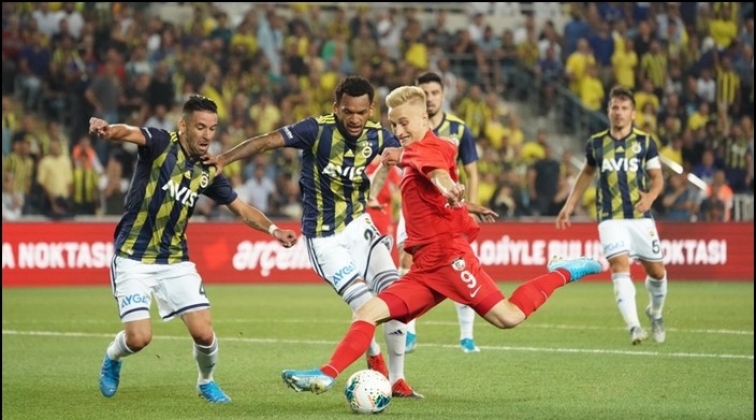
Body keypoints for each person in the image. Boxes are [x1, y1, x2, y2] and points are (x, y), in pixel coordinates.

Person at [279, 85, 602, 397]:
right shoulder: (425, 148)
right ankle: (326, 375)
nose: (398, 130)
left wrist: (449, 187)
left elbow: (436, 173)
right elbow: (435, 170)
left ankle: (564, 271)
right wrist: (458, 198)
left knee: (509, 317)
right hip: (425, 268)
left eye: (404, 122)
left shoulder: (425, 150)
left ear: (424, 118)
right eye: (394, 124)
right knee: (367, 312)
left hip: (450, 259)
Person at [204, 75, 421, 397]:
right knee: (368, 305)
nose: (354, 119)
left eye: (361, 112)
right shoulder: (316, 130)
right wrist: (223, 158)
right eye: (348, 111)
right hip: (324, 238)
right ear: (336, 107)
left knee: (395, 298)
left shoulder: (379, 135)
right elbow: (267, 140)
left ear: (371, 110)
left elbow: (413, 157)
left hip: (358, 226)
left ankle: (397, 380)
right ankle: (374, 353)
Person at [91, 95, 298, 403]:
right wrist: (109, 130)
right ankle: (113, 357)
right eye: (200, 127)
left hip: (175, 260)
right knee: (139, 338)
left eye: (212, 128)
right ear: (183, 126)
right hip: (133, 256)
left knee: (204, 333)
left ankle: (206, 382)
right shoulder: (161, 143)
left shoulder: (208, 169)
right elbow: (130, 132)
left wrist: (274, 229)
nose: (207, 135)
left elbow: (242, 210)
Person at [376, 71, 482, 354]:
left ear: (443, 95)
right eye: (426, 93)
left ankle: (467, 336)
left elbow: (471, 172)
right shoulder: (402, 125)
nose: (431, 98)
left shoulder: (458, 129)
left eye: (435, 93)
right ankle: (409, 332)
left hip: (448, 207)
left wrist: (468, 205)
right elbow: (390, 162)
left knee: (459, 264)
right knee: (406, 260)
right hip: (414, 207)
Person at [555, 85, 668, 345]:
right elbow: (586, 173)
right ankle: (634, 327)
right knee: (619, 266)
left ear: (633, 114)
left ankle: (655, 313)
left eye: (624, 108)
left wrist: (651, 197)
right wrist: (569, 205)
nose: (619, 112)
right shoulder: (596, 143)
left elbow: (657, 177)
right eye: (615, 107)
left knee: (657, 272)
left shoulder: (645, 142)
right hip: (610, 217)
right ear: (608, 111)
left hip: (639, 216)